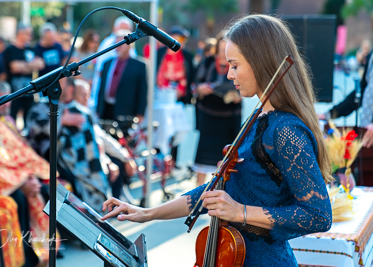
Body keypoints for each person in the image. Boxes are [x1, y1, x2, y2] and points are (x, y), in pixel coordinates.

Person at [101, 14, 332, 266]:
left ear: (260, 62)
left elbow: (318, 216)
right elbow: (213, 191)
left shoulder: (286, 130)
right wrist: (147, 213)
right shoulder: (258, 119)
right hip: (232, 255)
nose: (230, 75)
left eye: (235, 65)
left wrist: (240, 212)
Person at [0, 87, 58, 266]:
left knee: (43, 190)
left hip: (13, 179)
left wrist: (30, 177)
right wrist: (21, 182)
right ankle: (21, 258)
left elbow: (20, 154)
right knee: (17, 199)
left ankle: (38, 252)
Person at [27, 77, 110, 212]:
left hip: (84, 166)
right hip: (51, 163)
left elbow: (92, 145)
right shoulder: (40, 107)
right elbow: (34, 130)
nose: (53, 85)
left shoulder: (83, 112)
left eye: (59, 83)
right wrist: (60, 121)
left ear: (70, 89)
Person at [193, 35, 242, 186]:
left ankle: (224, 191)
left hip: (229, 119)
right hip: (208, 117)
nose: (222, 53)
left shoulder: (238, 64)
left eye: (225, 49)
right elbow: (194, 86)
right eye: (221, 49)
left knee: (227, 158)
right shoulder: (207, 62)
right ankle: (198, 195)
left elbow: (246, 88)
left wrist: (238, 95)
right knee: (203, 157)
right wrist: (200, 89)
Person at [96, 29, 147, 123]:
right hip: (106, 111)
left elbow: (142, 92)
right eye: (116, 44)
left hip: (126, 114)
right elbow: (102, 88)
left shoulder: (139, 65)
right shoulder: (107, 63)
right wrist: (98, 109)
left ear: (130, 45)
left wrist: (140, 114)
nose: (118, 47)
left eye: (121, 44)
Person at [3, 22, 44, 129]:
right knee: (12, 119)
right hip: (13, 93)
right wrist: (31, 66)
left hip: (29, 92)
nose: (30, 36)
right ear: (20, 34)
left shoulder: (31, 49)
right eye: (28, 33)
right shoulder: (10, 50)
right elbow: (14, 67)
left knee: (28, 120)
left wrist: (23, 66)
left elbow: (40, 64)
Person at [90, 16, 136, 110]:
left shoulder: (130, 44)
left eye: (127, 29)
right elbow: (101, 71)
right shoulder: (109, 44)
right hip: (108, 96)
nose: (124, 31)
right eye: (122, 28)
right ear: (115, 29)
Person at [156, 25, 195, 104]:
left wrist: (181, 89)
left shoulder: (187, 55)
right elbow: (157, 72)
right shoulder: (160, 52)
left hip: (181, 96)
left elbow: (190, 75)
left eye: (184, 39)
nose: (183, 41)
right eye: (181, 38)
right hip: (162, 92)